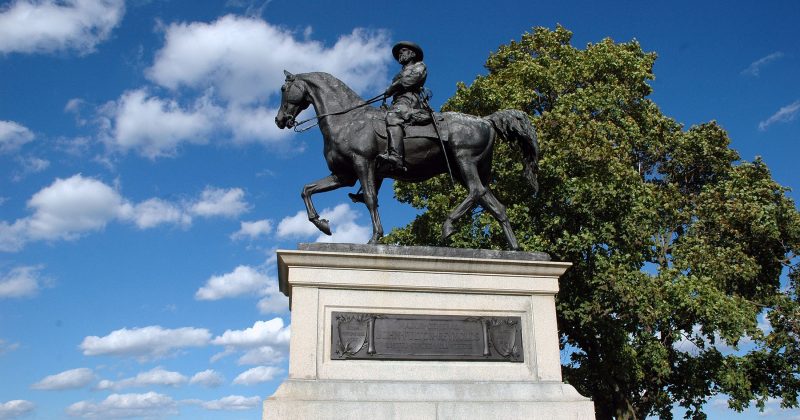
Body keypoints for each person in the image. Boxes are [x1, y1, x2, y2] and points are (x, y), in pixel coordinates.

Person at [377, 41, 427, 171]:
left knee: (393, 116)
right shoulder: (399, 72)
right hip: (398, 102)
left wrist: (393, 86)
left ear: (412, 54)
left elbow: (412, 79)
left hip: (409, 101)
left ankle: (396, 157)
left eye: (403, 51)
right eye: (400, 53)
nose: (401, 54)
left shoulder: (419, 66)